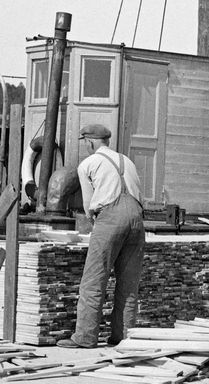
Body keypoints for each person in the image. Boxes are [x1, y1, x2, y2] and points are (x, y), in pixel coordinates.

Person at [58, 124, 146, 348]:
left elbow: (88, 206)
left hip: (110, 217)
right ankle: (123, 337)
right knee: (128, 283)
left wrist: (96, 224)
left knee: (94, 280)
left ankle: (85, 337)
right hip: (137, 220)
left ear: (89, 142)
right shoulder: (128, 161)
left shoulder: (88, 164)